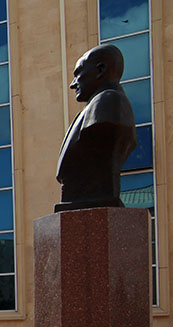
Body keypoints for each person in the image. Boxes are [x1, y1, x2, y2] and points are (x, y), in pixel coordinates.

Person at [56, 44, 137, 212]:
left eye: (78, 73)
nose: (73, 84)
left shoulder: (108, 103)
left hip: (97, 197)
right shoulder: (94, 107)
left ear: (101, 70)